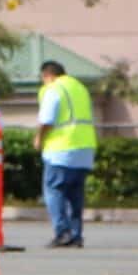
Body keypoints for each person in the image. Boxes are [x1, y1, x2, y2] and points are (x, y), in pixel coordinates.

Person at [33, 59, 96, 249]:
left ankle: (62, 232)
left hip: (61, 148)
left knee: (54, 190)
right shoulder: (80, 89)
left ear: (47, 75)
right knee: (75, 194)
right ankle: (76, 235)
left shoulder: (54, 89)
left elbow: (47, 120)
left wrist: (38, 138)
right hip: (84, 148)